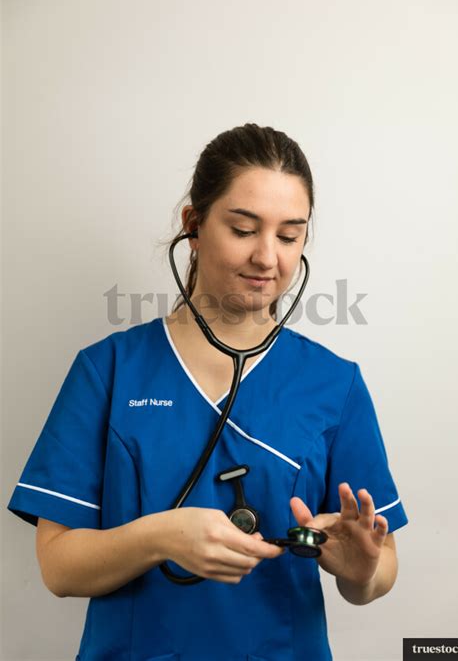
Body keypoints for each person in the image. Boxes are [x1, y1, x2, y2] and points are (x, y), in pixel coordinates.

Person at [7, 123, 408, 661]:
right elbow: (57, 566)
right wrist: (160, 537)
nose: (268, 258)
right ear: (193, 226)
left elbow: (379, 567)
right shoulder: (108, 371)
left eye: (290, 236)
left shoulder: (335, 384)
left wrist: (361, 574)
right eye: (244, 229)